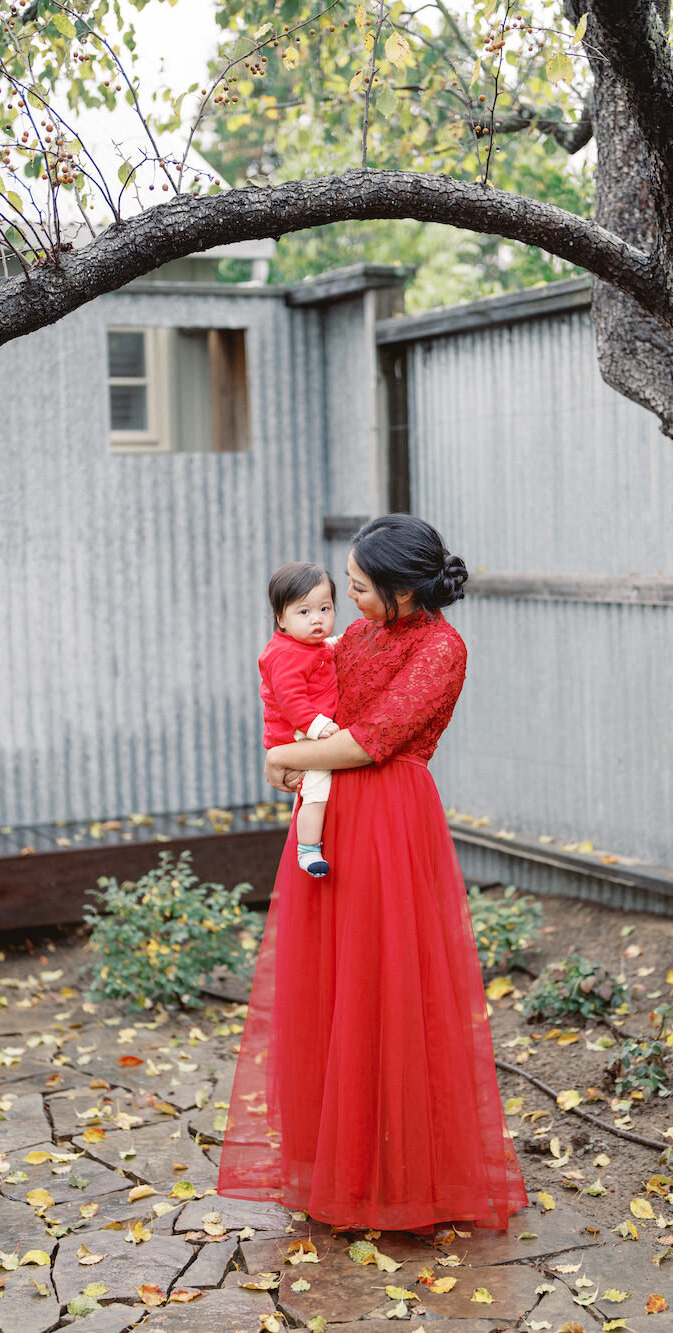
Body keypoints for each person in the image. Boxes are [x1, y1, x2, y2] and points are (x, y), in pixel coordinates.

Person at [216, 514, 528, 1232]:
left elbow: (373, 741)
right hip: (334, 817)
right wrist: (286, 749)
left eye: (358, 588)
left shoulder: (442, 650)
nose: (345, 601)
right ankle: (341, 1169)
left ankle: (402, 1177)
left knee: (389, 987)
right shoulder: (356, 634)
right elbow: (311, 701)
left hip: (391, 819)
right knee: (332, 987)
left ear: (402, 589)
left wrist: (289, 759)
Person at [259, 562, 339, 877]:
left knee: (308, 789)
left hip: (304, 727)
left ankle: (306, 838)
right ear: (281, 619)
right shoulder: (285, 656)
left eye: (325, 608)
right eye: (303, 612)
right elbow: (292, 702)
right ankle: (307, 849)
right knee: (318, 787)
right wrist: (318, 727)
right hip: (297, 732)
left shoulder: (307, 646)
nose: (317, 619)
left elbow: (323, 652)